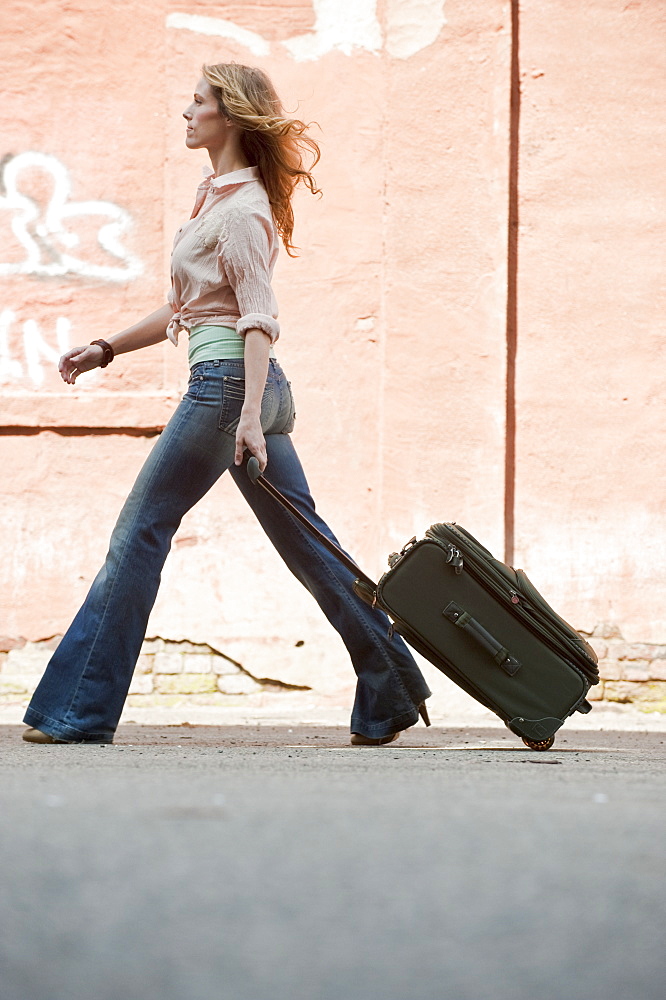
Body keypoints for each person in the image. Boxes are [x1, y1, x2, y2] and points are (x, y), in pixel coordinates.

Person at [22, 63, 431, 746]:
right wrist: (107, 347)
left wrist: (245, 419)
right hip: (244, 389)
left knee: (139, 535)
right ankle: (389, 688)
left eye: (199, 102)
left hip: (227, 390)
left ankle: (78, 711)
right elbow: (190, 307)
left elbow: (258, 318)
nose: (186, 112)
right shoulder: (215, 199)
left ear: (231, 116)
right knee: (309, 544)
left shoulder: (241, 211)